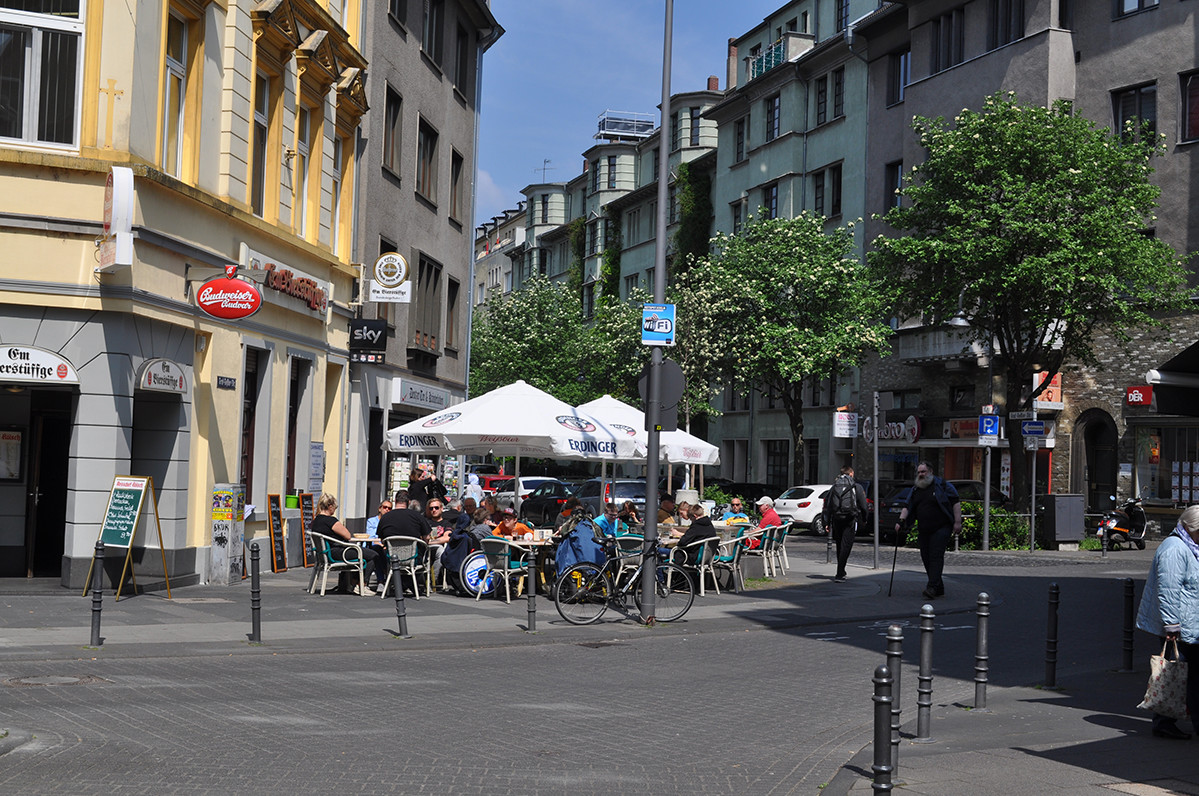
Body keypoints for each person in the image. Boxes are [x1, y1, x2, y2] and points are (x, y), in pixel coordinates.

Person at [1136, 504, 1199, 740]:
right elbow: (1169, 589)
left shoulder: (1190, 546)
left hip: (1189, 623)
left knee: (1186, 673)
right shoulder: (1175, 548)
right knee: (1180, 673)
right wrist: (1171, 625)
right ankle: (1164, 721)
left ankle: (1167, 721)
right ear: (1191, 528)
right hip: (1180, 626)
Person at [894, 461, 961, 599]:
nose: (920, 475)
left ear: (930, 472)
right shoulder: (916, 489)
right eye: (918, 472)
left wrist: (957, 522)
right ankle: (939, 587)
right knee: (926, 557)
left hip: (942, 527)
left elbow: (956, 502)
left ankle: (931, 588)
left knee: (935, 556)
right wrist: (900, 521)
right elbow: (907, 506)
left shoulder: (943, 485)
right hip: (924, 529)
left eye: (923, 472)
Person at [311, 493, 379, 595]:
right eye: (334, 508)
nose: (334, 511)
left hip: (324, 554)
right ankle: (361, 585)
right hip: (337, 552)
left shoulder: (316, 521)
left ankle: (351, 583)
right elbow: (347, 535)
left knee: (359, 552)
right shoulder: (331, 521)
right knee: (373, 555)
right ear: (330, 507)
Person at [376, 490, 434, 594]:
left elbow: (382, 539)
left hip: (392, 558)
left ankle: (402, 585)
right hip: (413, 558)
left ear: (395, 501)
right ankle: (410, 584)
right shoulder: (417, 516)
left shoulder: (385, 518)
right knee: (424, 551)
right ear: (409, 502)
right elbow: (427, 537)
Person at [823, 466, 869, 583]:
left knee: (839, 544)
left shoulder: (834, 486)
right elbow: (864, 505)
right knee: (846, 545)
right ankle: (840, 572)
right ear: (851, 474)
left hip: (837, 519)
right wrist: (864, 518)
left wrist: (826, 522)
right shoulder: (856, 486)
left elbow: (828, 505)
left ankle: (841, 570)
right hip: (850, 519)